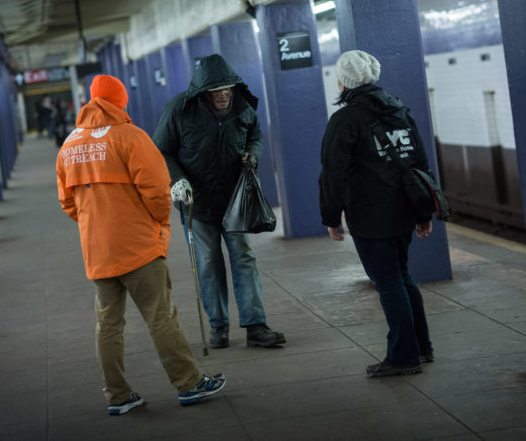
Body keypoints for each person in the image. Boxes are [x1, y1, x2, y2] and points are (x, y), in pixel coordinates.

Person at [56, 74, 225, 415]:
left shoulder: (69, 146)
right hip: (138, 249)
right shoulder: (130, 137)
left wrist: (95, 227)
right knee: (161, 317)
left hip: (97, 251)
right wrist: (158, 225)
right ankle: (189, 384)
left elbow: (67, 203)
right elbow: (158, 191)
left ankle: (117, 396)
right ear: (120, 102)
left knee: (108, 324)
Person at [153, 54, 286, 349]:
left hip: (235, 198)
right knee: (208, 262)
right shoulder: (180, 110)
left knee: (244, 257)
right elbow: (161, 150)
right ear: (203, 91)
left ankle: (255, 325)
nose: (224, 94)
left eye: (228, 88)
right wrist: (177, 180)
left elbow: (256, 136)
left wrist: (253, 154)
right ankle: (218, 326)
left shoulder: (243, 105)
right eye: (217, 90)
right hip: (196, 203)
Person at [319, 50, 434, 377]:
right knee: (402, 276)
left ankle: (403, 356)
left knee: (388, 283)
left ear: (342, 82)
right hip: (403, 213)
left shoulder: (345, 119)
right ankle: (422, 347)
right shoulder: (399, 110)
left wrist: (331, 216)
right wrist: (422, 211)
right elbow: (419, 164)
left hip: (371, 215)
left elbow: (333, 172)